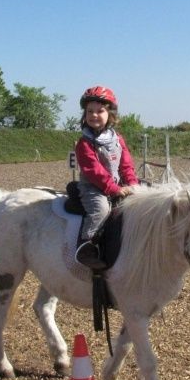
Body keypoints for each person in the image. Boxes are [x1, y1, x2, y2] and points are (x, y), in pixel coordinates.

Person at [74, 85, 139, 270]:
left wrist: (133, 185)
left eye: (100, 111)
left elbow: (126, 165)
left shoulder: (117, 139)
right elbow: (94, 171)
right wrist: (115, 190)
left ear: (110, 114)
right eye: (90, 111)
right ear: (84, 115)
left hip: (116, 185)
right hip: (93, 188)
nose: (94, 115)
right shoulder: (84, 143)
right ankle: (87, 246)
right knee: (101, 210)